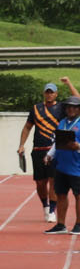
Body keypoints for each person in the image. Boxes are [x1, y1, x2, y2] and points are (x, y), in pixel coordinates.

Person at [17, 79, 76, 223]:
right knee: (40, 183)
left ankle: (52, 211)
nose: (49, 95)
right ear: (44, 94)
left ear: (56, 94)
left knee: (53, 181)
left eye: (52, 92)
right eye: (47, 92)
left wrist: (68, 83)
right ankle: (45, 206)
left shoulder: (62, 108)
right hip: (38, 149)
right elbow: (27, 127)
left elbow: (77, 100)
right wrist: (21, 145)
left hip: (55, 150)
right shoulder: (36, 109)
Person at [46, 94, 80, 234]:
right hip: (61, 165)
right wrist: (49, 154)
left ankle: (78, 224)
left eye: (74, 107)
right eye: (68, 106)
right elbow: (57, 142)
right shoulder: (62, 122)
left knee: (78, 196)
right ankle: (61, 224)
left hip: (77, 167)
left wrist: (78, 146)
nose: (70, 109)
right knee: (60, 194)